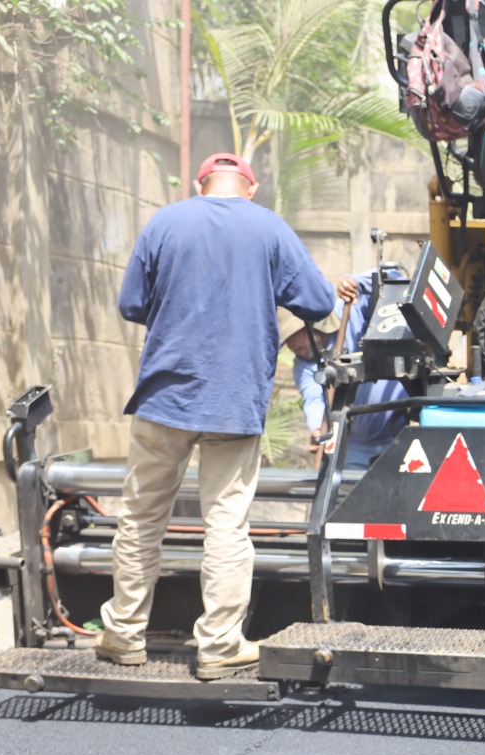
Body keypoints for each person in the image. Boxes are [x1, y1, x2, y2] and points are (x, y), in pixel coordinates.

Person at [93, 152, 354, 680]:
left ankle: (123, 635)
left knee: (141, 517)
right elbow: (320, 299)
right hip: (233, 402)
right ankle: (218, 645)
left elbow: (131, 304)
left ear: (199, 185)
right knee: (227, 525)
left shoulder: (164, 222)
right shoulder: (268, 227)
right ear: (251, 189)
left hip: (165, 394)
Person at [284, 268, 409, 471]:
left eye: (290, 337)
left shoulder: (351, 310)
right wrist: (317, 427)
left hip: (399, 433)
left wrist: (357, 282)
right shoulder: (304, 363)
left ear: (306, 325)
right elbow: (314, 398)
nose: (290, 345)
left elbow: (397, 277)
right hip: (354, 445)